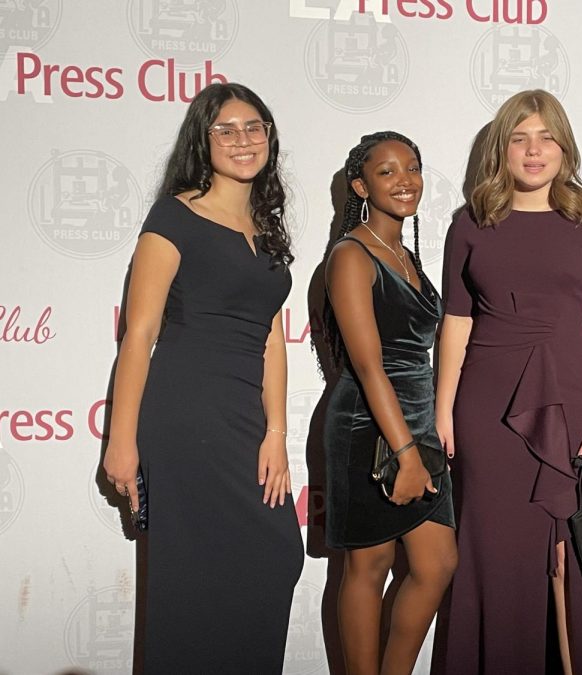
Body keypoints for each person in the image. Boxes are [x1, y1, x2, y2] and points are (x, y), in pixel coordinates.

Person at [102, 82, 303, 673]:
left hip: (245, 421)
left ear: (269, 136)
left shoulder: (267, 229)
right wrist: (121, 441)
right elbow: (139, 334)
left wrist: (276, 434)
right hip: (186, 413)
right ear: (203, 139)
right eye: (226, 129)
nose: (243, 139)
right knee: (191, 582)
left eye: (254, 127)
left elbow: (271, 337)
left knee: (275, 558)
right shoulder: (175, 215)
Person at [435, 90, 582, 674]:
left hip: (571, 410)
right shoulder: (470, 223)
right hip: (485, 412)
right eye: (520, 138)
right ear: (502, 149)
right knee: (491, 555)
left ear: (564, 147)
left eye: (546, 137)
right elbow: (456, 324)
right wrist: (443, 410)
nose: (533, 150)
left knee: (572, 561)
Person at [323, 131, 458, 675]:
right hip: (368, 427)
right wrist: (403, 453)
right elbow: (369, 365)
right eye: (387, 172)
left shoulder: (404, 254)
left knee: (437, 563)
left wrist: (421, 440)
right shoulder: (352, 255)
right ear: (361, 185)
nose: (405, 180)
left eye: (413, 168)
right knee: (369, 564)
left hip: (418, 425)